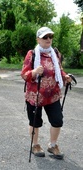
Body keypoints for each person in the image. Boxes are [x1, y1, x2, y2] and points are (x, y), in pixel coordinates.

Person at [21, 27, 72, 159]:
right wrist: (33, 72)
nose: (48, 39)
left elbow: (59, 70)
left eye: (50, 36)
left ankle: (52, 145)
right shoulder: (32, 54)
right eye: (45, 37)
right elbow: (24, 74)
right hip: (35, 95)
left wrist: (65, 77)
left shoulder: (55, 53)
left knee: (57, 120)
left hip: (52, 95)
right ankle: (35, 145)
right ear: (38, 39)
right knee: (35, 122)